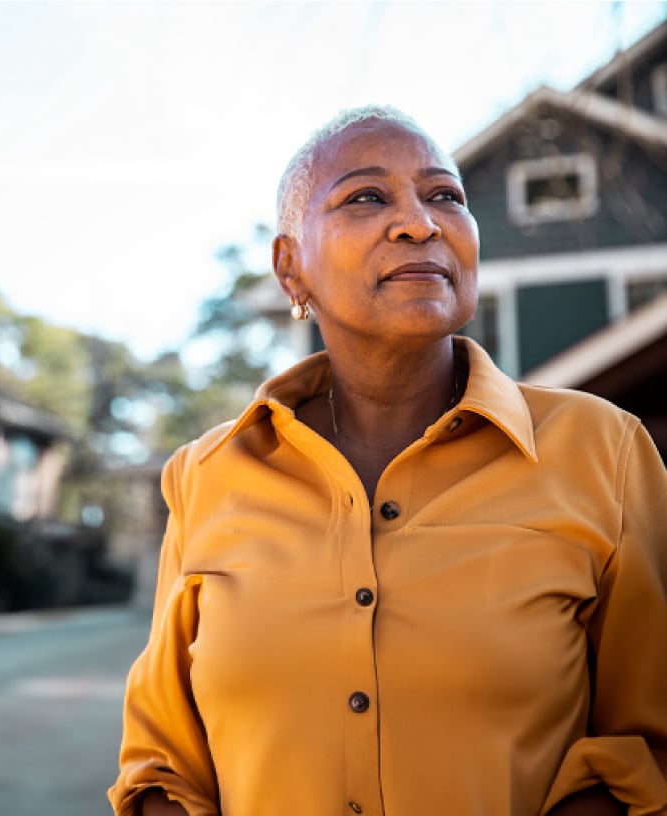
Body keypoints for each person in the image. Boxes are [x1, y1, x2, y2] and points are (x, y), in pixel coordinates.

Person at [109, 106, 667, 816]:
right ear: (290, 269)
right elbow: (161, 763)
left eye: (445, 196)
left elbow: (649, 748)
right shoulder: (207, 474)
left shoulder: (603, 450)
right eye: (367, 197)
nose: (420, 223)